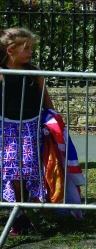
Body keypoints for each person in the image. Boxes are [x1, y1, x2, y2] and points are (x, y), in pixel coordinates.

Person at [0, 28, 54, 235]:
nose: (31, 52)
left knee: (28, 170)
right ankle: (17, 214)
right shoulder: (2, 74)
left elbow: (46, 100)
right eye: (26, 48)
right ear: (11, 50)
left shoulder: (34, 73)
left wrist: (54, 119)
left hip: (31, 126)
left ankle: (24, 209)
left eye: (31, 47)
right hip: (7, 128)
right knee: (11, 170)